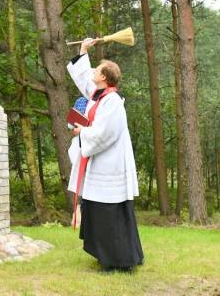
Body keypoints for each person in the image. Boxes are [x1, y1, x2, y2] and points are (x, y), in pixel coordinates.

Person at [67, 37, 143, 272]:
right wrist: (83, 49)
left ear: (105, 77)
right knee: (98, 213)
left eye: (97, 69)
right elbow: (82, 77)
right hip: (98, 165)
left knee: (111, 216)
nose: (93, 71)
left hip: (110, 167)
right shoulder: (98, 95)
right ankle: (105, 256)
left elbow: (104, 133)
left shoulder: (113, 101)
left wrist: (82, 132)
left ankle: (119, 261)